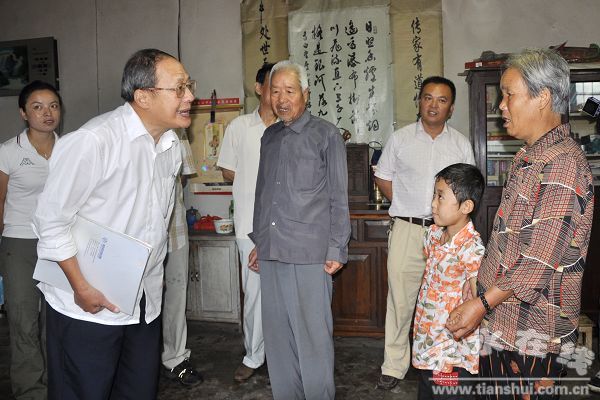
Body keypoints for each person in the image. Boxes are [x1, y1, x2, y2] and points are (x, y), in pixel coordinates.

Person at [32, 48, 195, 400]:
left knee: (137, 391)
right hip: (86, 305)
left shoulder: (172, 146)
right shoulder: (94, 141)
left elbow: (155, 221)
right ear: (143, 96)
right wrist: (81, 287)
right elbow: (50, 222)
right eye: (179, 88)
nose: (190, 97)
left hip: (143, 303)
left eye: (189, 86)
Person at [446, 48, 594, 399]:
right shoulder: (528, 156)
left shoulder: (562, 164)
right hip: (504, 322)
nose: (501, 105)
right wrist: (480, 285)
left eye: (509, 94)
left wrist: (481, 304)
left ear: (543, 97)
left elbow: (538, 261)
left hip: (534, 334)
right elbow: (507, 241)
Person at [248, 60, 350, 400]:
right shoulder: (269, 136)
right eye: (275, 91)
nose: (281, 99)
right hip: (272, 251)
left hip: (310, 254)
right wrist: (259, 241)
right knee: (277, 339)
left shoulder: (326, 134)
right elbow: (263, 193)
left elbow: (338, 196)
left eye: (289, 91)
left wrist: (337, 248)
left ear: (305, 94)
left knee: (313, 340)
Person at [374, 76, 475, 390]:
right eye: (428, 97)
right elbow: (383, 177)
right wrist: (405, 204)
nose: (434, 105)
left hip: (446, 235)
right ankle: (394, 365)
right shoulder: (401, 139)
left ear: (451, 108)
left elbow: (468, 187)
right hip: (408, 230)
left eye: (442, 100)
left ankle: (441, 363)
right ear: (419, 101)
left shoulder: (460, 144)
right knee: (400, 302)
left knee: (446, 303)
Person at [0, 80, 62, 400]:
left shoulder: (69, 149)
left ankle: (57, 384)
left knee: (57, 319)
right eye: (37, 107)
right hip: (20, 243)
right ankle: (30, 391)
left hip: (59, 244)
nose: (47, 113)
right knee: (24, 319)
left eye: (53, 106)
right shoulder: (8, 152)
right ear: (24, 113)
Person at [217, 62, 277, 382]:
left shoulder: (291, 127)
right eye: (272, 86)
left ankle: (282, 355)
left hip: (286, 226)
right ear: (258, 88)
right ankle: (253, 356)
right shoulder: (240, 127)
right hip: (249, 226)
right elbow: (228, 170)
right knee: (254, 295)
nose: (278, 94)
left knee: (286, 294)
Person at [412, 163, 485, 400]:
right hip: (427, 341)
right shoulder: (433, 234)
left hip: (452, 351)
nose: (433, 204)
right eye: (434, 195)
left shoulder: (471, 247)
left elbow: (477, 296)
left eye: (441, 197)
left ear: (466, 206)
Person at [161, 129, 202, 386]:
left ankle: (175, 359)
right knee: (138, 299)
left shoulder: (178, 131)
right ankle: (136, 361)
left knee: (176, 295)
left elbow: (184, 175)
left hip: (174, 228)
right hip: (138, 234)